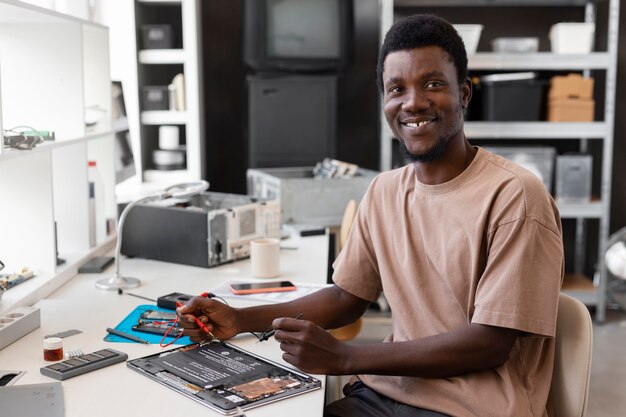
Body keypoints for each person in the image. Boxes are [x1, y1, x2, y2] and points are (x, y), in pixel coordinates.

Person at [177, 14, 564, 417]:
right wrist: (239, 318)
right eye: (397, 88)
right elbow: (347, 298)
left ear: (464, 93)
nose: (413, 102)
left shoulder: (515, 195)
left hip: (473, 407)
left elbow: (490, 343)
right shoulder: (384, 191)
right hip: (389, 393)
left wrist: (346, 358)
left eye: (433, 83)